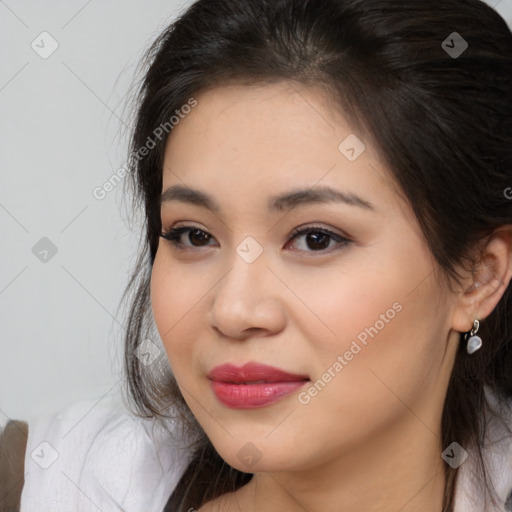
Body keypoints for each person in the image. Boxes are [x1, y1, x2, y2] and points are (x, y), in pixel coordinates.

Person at [7, 0, 512, 511]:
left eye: (316, 238)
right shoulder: (45, 487)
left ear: (479, 277)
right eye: (193, 235)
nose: (233, 310)